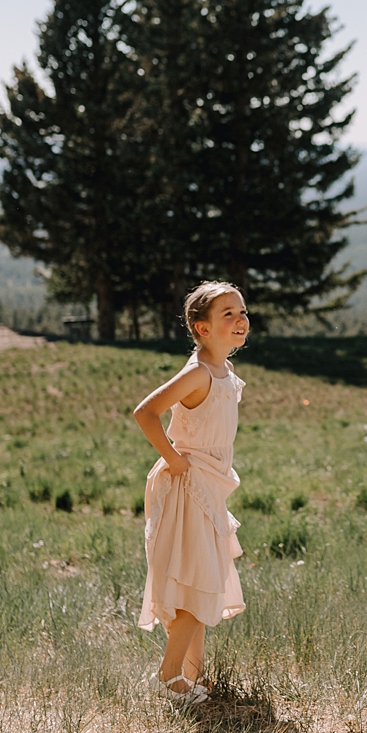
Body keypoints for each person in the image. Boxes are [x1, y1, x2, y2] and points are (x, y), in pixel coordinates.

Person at [132, 282, 250, 703]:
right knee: (197, 581)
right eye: (228, 314)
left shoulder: (223, 369)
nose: (240, 320)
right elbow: (146, 412)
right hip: (189, 487)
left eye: (242, 312)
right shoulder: (199, 372)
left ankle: (192, 676)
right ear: (202, 328)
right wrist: (173, 458)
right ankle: (168, 677)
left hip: (210, 485)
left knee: (203, 579)